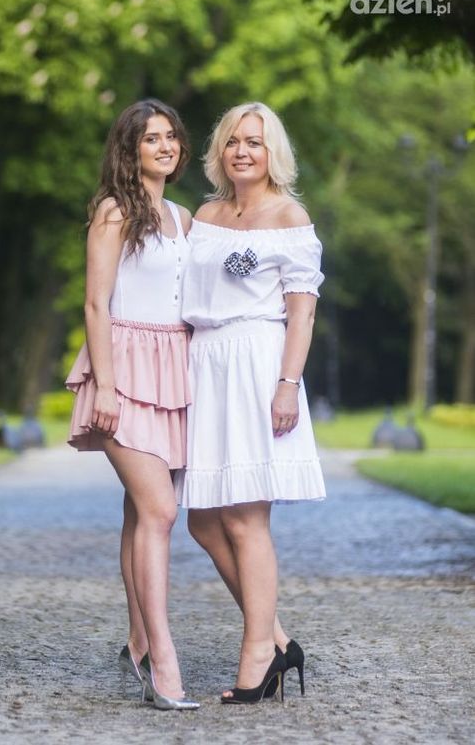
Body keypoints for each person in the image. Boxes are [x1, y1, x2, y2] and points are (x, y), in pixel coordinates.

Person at [174, 102, 326, 704]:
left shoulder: (289, 217)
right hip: (205, 364)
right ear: (221, 150)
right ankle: (278, 639)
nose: (242, 151)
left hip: (257, 366)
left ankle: (258, 654)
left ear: (272, 153)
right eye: (234, 141)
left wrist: (288, 383)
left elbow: (301, 313)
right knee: (202, 519)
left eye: (255, 143)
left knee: (244, 518)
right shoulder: (206, 215)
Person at [65, 99, 199, 711]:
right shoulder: (114, 211)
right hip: (124, 368)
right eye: (151, 138)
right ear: (130, 149)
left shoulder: (183, 216)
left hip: (173, 370)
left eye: (171, 136)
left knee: (140, 514)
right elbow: (96, 303)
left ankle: (138, 642)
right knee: (160, 511)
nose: (165, 146)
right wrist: (106, 386)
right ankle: (164, 662)